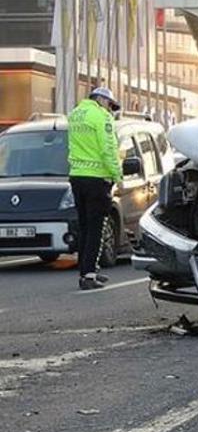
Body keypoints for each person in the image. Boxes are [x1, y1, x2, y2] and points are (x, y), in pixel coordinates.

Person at [67, 87, 122, 290]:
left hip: (77, 176)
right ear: (101, 100)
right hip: (97, 179)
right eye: (110, 104)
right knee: (96, 228)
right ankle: (89, 275)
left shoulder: (75, 114)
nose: (110, 109)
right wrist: (118, 176)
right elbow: (108, 149)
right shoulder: (102, 117)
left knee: (84, 227)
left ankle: (86, 270)